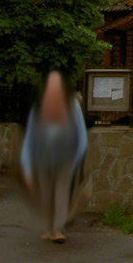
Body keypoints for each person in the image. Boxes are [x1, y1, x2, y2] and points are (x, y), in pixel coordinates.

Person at [20, 71, 87, 243]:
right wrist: (26, 166)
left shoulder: (71, 105)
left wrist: (77, 156)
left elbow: (80, 132)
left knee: (61, 191)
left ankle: (57, 229)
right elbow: (30, 136)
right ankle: (50, 229)